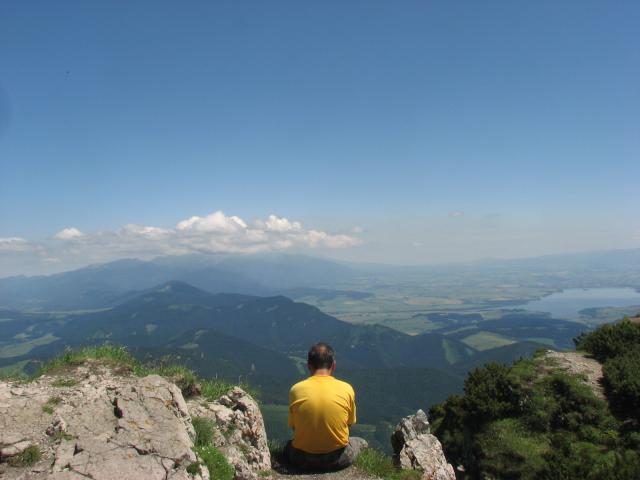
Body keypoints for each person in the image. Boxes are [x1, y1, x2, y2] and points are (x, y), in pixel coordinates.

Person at [285, 342, 368, 471]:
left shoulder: (295, 390)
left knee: (287, 445)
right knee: (361, 442)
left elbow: (293, 426)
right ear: (333, 365)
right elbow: (350, 423)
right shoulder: (347, 389)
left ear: (309, 366)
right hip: (338, 459)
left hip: (301, 459)